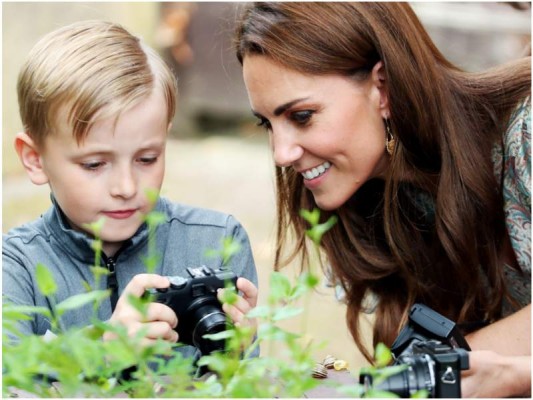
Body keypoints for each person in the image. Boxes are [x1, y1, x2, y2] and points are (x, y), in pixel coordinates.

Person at [234, 3, 530, 397]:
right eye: (267, 124)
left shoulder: (523, 132)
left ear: (384, 88)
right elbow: (396, 369)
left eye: (302, 116)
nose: (281, 153)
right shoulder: (353, 204)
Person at [3, 20, 258, 364]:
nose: (126, 188)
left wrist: (234, 355)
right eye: (94, 164)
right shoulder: (15, 266)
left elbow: (247, 381)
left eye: (147, 158)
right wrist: (100, 350)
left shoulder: (218, 242)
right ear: (35, 160)